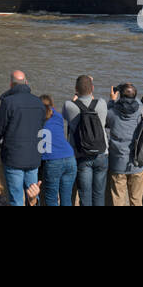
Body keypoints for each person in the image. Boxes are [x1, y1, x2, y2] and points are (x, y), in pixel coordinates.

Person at [0, 70, 47, 208]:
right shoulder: (39, 103)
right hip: (33, 158)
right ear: (26, 82)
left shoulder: (8, 102)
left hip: (14, 158)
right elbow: (42, 129)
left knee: (16, 199)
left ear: (11, 84)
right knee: (33, 197)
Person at [63, 75, 108, 207]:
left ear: (76, 89)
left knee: (85, 194)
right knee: (99, 193)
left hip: (82, 155)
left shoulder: (69, 105)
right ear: (92, 88)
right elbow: (92, 100)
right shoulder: (102, 103)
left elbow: (67, 116)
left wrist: (76, 97)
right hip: (101, 153)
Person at [106, 81, 143, 206]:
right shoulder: (142, 111)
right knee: (136, 200)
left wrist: (112, 100)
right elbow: (139, 105)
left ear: (121, 95)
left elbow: (105, 121)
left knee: (118, 200)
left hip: (118, 162)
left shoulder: (112, 111)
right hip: (137, 161)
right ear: (135, 96)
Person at [38, 94, 76, 206]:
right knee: (66, 198)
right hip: (70, 158)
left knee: (51, 199)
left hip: (53, 160)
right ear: (52, 104)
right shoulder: (58, 116)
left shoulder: (37, 119)